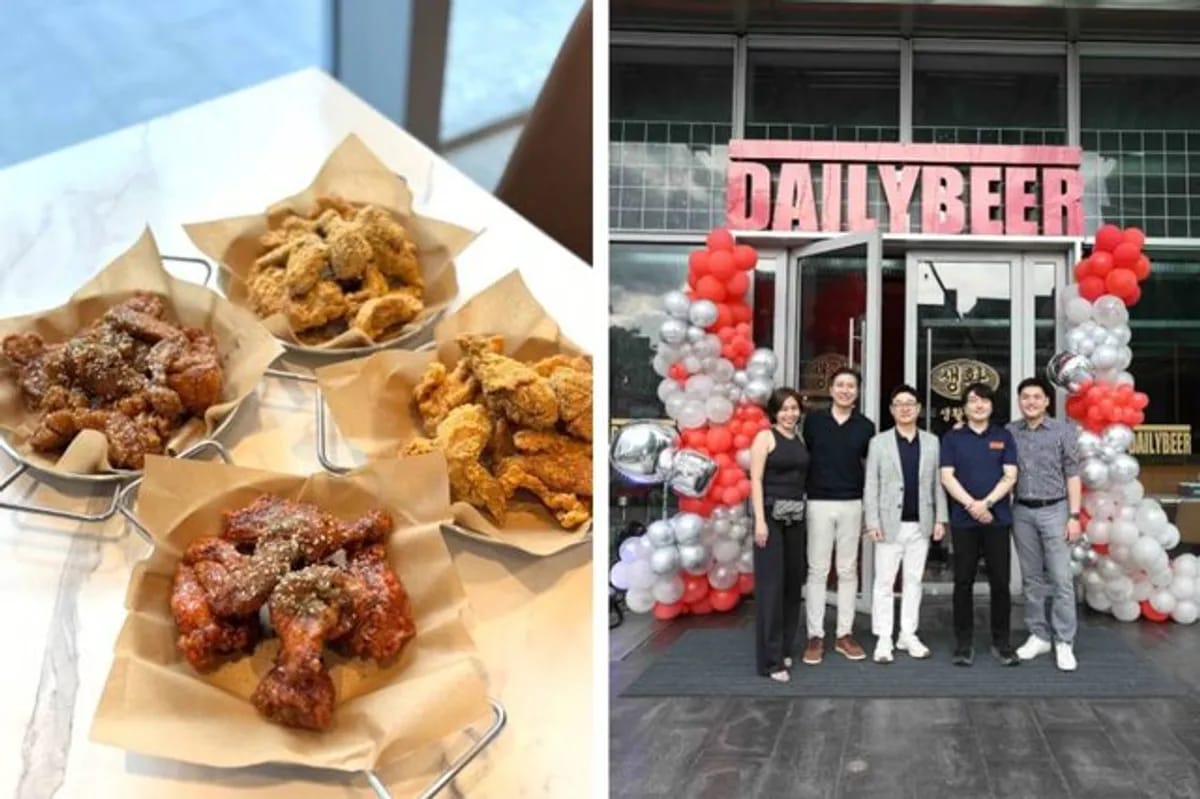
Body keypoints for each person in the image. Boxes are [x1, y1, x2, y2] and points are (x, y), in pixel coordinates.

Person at [863, 385, 949, 664]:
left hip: (920, 524)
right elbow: (871, 484)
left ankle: (907, 634)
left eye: (910, 403)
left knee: (914, 581)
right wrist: (872, 520)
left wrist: (940, 519)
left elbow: (938, 484)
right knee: (885, 583)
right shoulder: (879, 442)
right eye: (898, 404)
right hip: (889, 524)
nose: (904, 408)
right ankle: (884, 637)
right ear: (891, 410)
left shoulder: (932, 442)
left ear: (919, 408)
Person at [939, 382, 1019, 667]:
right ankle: (963, 643)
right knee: (963, 582)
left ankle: (1002, 642)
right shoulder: (952, 439)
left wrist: (985, 504)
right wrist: (972, 505)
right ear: (965, 406)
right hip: (963, 521)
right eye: (973, 400)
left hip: (997, 520)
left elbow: (1010, 476)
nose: (979, 405)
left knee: (1000, 582)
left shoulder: (1004, 436)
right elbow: (947, 477)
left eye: (984, 400)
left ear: (991, 406)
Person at [1007, 377, 1083, 672]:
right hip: (1022, 510)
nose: (1031, 402)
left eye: (1037, 397)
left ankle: (1064, 640)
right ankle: (1038, 634)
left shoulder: (1063, 431)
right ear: (1019, 401)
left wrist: (1074, 516)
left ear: (1047, 401)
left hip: (1055, 509)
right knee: (1031, 579)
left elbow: (1073, 473)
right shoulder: (1011, 431)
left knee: (1062, 580)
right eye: (1025, 397)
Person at [801, 368, 875, 665]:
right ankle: (815, 635)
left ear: (857, 393)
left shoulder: (865, 427)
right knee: (817, 571)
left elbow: (870, 469)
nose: (845, 390)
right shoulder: (814, 422)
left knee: (847, 570)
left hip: (852, 503)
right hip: (818, 501)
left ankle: (844, 634)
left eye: (851, 386)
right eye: (840, 385)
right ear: (831, 390)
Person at [749, 387, 810, 683]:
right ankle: (770, 662)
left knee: (791, 586)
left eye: (794, 408)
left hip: (796, 519)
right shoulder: (765, 437)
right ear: (774, 412)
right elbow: (756, 480)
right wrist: (759, 521)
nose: (789, 414)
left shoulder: (798, 438)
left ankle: (785, 647)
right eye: (784, 409)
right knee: (771, 590)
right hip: (771, 520)